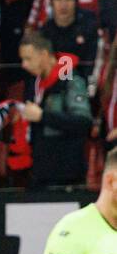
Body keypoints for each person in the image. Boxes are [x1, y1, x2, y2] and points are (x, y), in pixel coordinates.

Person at [18, 30, 91, 188]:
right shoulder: (34, 83)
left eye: (28, 59)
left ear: (44, 55)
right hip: (40, 170)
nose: (24, 65)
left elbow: (83, 122)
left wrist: (42, 116)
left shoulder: (70, 80)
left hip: (66, 174)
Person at [40, 0, 99, 75]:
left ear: (76, 2)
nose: (63, 5)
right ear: (51, 3)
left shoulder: (88, 29)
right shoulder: (45, 33)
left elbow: (91, 66)